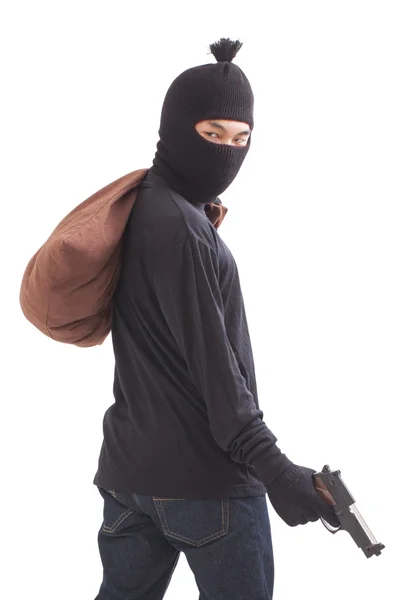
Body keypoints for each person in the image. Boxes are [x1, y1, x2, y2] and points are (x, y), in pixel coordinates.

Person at [92, 38, 339, 600]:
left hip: (129, 474)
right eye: (212, 135)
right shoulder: (180, 228)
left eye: (241, 138)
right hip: (208, 486)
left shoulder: (145, 205)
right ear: (178, 127)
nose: (228, 151)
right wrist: (276, 472)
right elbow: (216, 371)